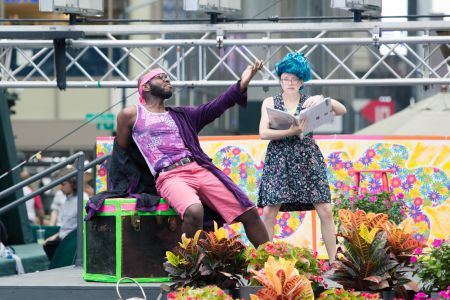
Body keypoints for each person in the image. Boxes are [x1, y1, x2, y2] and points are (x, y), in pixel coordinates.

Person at [114, 61, 269, 248]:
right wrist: (121, 186)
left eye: (168, 78)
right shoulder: (131, 115)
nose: (167, 80)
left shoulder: (182, 115)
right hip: (169, 176)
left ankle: (269, 265)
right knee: (194, 211)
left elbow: (216, 106)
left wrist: (242, 83)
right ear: (145, 86)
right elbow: (121, 153)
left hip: (197, 168)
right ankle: (191, 267)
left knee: (249, 212)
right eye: (160, 77)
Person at [258, 52, 347, 262]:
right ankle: (264, 261)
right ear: (280, 79)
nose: (289, 82)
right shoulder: (270, 101)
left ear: (302, 80)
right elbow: (263, 133)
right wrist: (290, 131)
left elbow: (342, 110)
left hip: (307, 156)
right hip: (279, 158)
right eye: (285, 78)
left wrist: (326, 100)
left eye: (295, 79)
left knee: (325, 209)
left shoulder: (310, 101)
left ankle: (335, 262)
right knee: (270, 210)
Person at [43, 167, 87, 260]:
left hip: (72, 242)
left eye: (63, 184)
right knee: (47, 245)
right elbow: (67, 226)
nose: (60, 187)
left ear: (73, 183)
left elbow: (82, 226)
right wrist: (56, 236)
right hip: (65, 238)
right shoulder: (68, 199)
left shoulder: (82, 199)